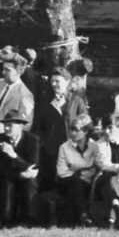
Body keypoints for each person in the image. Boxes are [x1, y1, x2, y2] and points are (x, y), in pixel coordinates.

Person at [31, 67, 88, 195]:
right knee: (48, 189)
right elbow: (37, 128)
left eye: (58, 81)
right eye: (53, 81)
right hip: (50, 154)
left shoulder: (77, 102)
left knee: (70, 188)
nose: (55, 84)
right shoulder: (45, 103)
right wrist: (45, 143)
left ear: (67, 81)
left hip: (71, 153)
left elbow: (87, 126)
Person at [0, 109, 41, 225]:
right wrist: (20, 174)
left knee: (31, 181)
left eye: (10, 126)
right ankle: (5, 220)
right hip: (7, 176)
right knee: (7, 182)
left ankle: (31, 219)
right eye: (5, 126)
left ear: (20, 127)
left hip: (25, 177)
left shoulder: (32, 140)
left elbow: (33, 166)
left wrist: (14, 156)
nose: (6, 128)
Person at [55, 114, 99, 226]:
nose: (72, 133)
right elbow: (61, 171)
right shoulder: (64, 147)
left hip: (87, 182)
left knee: (76, 187)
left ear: (85, 131)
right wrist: (79, 173)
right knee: (76, 182)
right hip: (67, 181)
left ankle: (68, 223)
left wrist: (82, 172)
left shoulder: (94, 146)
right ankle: (83, 214)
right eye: (71, 129)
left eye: (76, 130)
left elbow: (97, 167)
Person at [0, 51, 35, 134]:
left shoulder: (25, 95)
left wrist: (3, 131)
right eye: (3, 68)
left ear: (18, 72)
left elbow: (26, 125)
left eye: (7, 70)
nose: (3, 72)